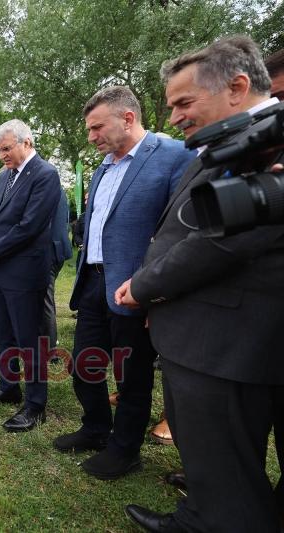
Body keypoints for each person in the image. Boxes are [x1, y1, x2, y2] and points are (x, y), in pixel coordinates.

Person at [114, 36, 284, 532]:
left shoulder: (272, 142)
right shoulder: (238, 137)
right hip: (204, 331)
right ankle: (198, 515)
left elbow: (222, 242)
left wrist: (145, 285)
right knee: (214, 459)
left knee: (229, 471)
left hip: (225, 340)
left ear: (237, 87)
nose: (175, 118)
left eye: (185, 103)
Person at [53, 86, 194, 481]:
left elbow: (179, 231)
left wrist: (155, 290)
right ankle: (96, 428)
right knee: (86, 364)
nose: (92, 137)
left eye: (98, 128)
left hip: (135, 289)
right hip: (93, 282)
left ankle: (124, 449)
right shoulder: (103, 168)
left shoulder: (173, 157)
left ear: (128, 118)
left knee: (132, 376)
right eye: (89, 130)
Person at [0, 119, 60, 432]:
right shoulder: (6, 176)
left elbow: (30, 225)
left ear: (27, 142)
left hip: (24, 271)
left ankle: (35, 405)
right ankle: (8, 386)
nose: (1, 155)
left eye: (6, 148)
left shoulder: (45, 174)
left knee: (30, 340)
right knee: (5, 334)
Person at [39, 187, 73, 348]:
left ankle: (50, 346)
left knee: (45, 299)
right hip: (57, 248)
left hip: (47, 251)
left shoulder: (44, 188)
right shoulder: (58, 190)